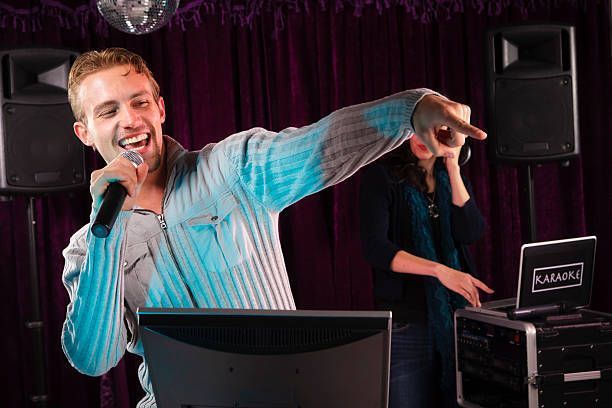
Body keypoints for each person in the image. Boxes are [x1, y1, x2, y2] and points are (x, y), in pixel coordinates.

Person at [61, 47, 487, 408]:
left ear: (161, 108)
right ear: (85, 132)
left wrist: (410, 111)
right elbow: (93, 358)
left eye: (140, 102)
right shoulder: (86, 248)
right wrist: (108, 231)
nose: (131, 120)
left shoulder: (232, 169)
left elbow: (322, 143)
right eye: (108, 111)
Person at [359, 134, 493, 408]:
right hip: (408, 324)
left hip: (457, 322)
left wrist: (454, 168)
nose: (423, 138)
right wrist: (439, 271)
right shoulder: (381, 177)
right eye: (417, 128)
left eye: (437, 131)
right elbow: (375, 248)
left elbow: (471, 231)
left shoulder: (450, 178)